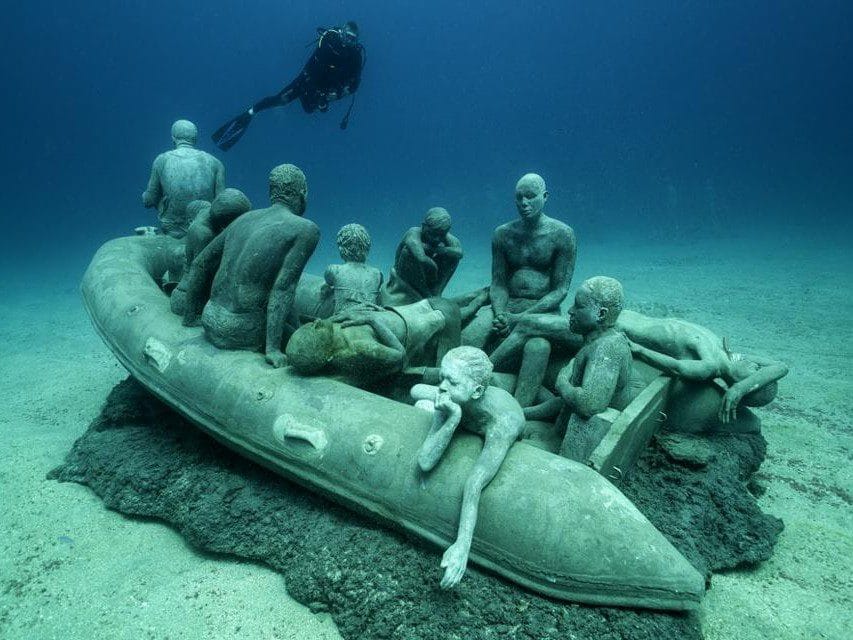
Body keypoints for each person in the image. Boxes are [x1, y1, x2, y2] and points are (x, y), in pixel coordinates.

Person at [181, 164, 319, 368]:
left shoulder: (243, 219)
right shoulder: (306, 230)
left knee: (291, 318)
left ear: (271, 192)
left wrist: (189, 316)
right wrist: (272, 349)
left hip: (210, 318)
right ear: (303, 193)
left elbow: (201, 263)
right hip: (241, 331)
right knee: (310, 344)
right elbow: (283, 290)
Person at [410, 346, 525, 590]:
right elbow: (425, 462)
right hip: (466, 408)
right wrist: (452, 418)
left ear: (477, 391)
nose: (442, 386)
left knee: (421, 400)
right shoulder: (451, 397)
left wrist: (462, 546)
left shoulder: (503, 423)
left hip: (493, 417)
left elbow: (474, 483)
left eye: (451, 381)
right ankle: (446, 393)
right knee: (418, 393)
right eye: (442, 377)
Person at [212, 21, 366, 150]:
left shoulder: (355, 56)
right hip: (307, 79)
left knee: (308, 109)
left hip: (329, 90)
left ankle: (309, 102)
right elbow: (313, 69)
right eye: (347, 37)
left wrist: (333, 96)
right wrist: (316, 94)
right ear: (341, 33)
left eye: (353, 39)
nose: (349, 41)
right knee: (281, 99)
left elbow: (354, 86)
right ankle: (250, 113)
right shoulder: (329, 42)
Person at [616, 310, 788, 423]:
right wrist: (742, 387)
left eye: (756, 370)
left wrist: (637, 349)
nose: (756, 364)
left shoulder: (709, 367)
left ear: (742, 382)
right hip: (630, 314)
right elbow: (781, 367)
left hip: (623, 325)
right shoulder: (725, 353)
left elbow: (677, 367)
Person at [532, 278, 635, 461]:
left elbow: (589, 404)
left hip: (569, 449)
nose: (570, 310)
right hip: (559, 430)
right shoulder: (598, 341)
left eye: (578, 306)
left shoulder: (606, 349)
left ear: (601, 314)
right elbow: (565, 402)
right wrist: (524, 413)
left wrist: (562, 381)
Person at [285, 298, 461, 387]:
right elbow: (400, 356)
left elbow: (323, 324)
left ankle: (476, 300)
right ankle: (477, 301)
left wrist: (371, 312)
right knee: (455, 308)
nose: (316, 322)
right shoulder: (360, 347)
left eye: (311, 325)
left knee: (450, 303)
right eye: (315, 330)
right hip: (421, 321)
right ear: (325, 353)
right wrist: (373, 321)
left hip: (400, 312)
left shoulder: (332, 326)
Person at [170, 189, 252, 316]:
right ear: (227, 223)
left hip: (191, 293)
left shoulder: (205, 212)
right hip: (190, 298)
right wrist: (189, 317)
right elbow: (199, 275)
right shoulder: (205, 234)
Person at [142, 119, 226, 237]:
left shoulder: (161, 160)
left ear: (173, 138)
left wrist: (146, 196)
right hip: (206, 230)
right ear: (195, 139)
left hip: (173, 231)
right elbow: (222, 204)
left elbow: (149, 201)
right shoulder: (215, 163)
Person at [381, 207, 463, 306]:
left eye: (441, 235)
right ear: (424, 226)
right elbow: (421, 258)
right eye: (432, 234)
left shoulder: (443, 234)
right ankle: (427, 296)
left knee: (452, 257)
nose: (437, 239)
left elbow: (459, 252)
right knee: (408, 252)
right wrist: (434, 267)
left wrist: (436, 249)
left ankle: (436, 293)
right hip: (404, 278)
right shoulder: (414, 232)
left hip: (426, 276)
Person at [322, 223, 383, 314]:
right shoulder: (377, 273)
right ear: (367, 247)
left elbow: (326, 287)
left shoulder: (334, 270)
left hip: (343, 319)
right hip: (371, 316)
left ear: (342, 248)